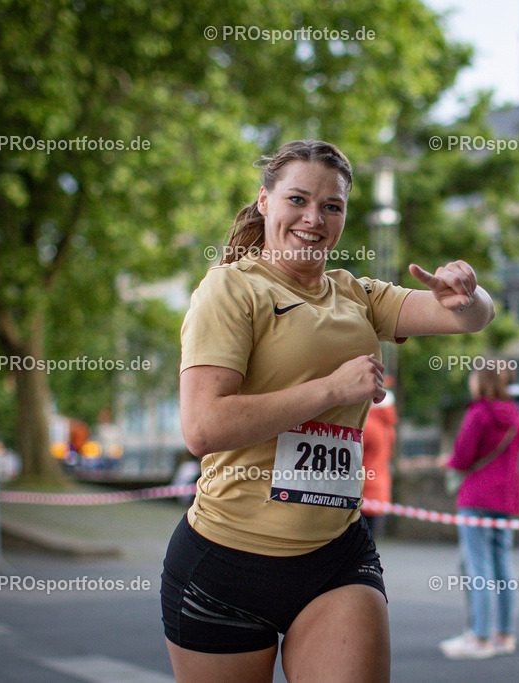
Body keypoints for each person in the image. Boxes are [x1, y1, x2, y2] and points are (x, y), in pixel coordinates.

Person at [160, 140, 495, 683]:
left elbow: (467, 318)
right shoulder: (231, 288)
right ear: (265, 201)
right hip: (228, 559)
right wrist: (331, 389)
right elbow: (203, 428)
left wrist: (468, 294)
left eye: (332, 206)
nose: (313, 219)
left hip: (334, 555)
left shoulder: (356, 294)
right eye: (298, 199)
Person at [438, 367, 519, 660]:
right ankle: (504, 634)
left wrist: (447, 461)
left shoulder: (478, 414)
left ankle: (480, 637)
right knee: (501, 566)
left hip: (477, 496)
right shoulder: (514, 414)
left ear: (482, 382)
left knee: (477, 567)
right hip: (506, 497)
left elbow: (462, 457)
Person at [361, 384, 398, 537]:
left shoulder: (368, 425)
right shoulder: (388, 427)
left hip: (364, 488)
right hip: (380, 489)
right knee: (370, 539)